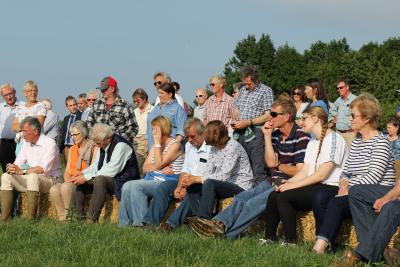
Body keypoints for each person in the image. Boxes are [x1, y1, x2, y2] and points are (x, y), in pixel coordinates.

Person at [190, 96, 310, 239]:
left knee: (252, 204)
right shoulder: (276, 135)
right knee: (241, 197)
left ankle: (225, 236)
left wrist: (278, 165)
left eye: (273, 114)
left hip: (290, 183)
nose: (269, 118)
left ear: (287, 116)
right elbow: (270, 162)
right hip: (274, 179)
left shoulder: (301, 137)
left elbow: (298, 171)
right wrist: (266, 136)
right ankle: (217, 224)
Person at [316, 93, 396, 257]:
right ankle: (331, 240)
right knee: (322, 195)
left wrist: (349, 188)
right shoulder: (357, 141)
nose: (349, 119)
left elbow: (374, 176)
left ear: (366, 118)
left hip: (377, 190)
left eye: (353, 115)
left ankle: (320, 247)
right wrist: (344, 184)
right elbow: (346, 170)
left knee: (337, 203)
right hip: (355, 188)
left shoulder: (380, 142)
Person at [263, 106, 348, 245]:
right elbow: (305, 172)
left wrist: (292, 186)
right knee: (274, 194)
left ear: (315, 119)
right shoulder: (313, 141)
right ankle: (269, 238)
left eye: (304, 118)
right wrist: (287, 184)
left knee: (285, 196)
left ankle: (291, 241)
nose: (301, 122)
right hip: (316, 185)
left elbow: (321, 175)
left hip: (331, 187)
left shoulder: (334, 139)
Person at [160, 120, 255, 230]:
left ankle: (203, 219)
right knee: (193, 186)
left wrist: (197, 178)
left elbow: (223, 175)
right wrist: (190, 181)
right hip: (225, 183)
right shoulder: (215, 147)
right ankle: (199, 221)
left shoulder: (233, 147)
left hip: (240, 185)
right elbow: (208, 171)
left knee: (209, 183)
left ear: (216, 135)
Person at [142, 118, 211, 227]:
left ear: (202, 133)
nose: (190, 140)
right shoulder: (188, 145)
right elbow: (185, 169)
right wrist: (180, 186)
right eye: (187, 137)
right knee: (165, 186)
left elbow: (210, 176)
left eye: (192, 136)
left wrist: (188, 185)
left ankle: (170, 224)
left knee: (193, 190)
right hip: (186, 180)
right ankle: (149, 223)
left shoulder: (210, 148)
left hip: (201, 182)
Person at [118, 116, 184, 227]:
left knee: (137, 186)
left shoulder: (175, 145)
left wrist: (158, 145)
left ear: (163, 129)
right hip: (152, 178)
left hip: (167, 181)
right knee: (127, 186)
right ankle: (124, 224)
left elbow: (159, 162)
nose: (153, 132)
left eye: (155, 129)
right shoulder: (154, 146)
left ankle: (141, 224)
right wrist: (160, 168)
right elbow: (145, 168)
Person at [70, 123, 140, 222]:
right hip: (112, 179)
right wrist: (82, 173)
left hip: (124, 181)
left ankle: (91, 219)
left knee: (100, 180)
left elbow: (111, 170)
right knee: (78, 183)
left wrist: (86, 177)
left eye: (98, 143)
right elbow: (96, 165)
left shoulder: (121, 146)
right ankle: (77, 218)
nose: (96, 145)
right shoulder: (102, 145)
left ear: (108, 139)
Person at [1, 116, 62, 221]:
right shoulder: (26, 143)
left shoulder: (50, 143)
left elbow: (44, 168)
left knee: (33, 177)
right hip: (32, 179)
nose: (22, 134)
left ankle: (31, 220)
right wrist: (12, 167)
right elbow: (18, 162)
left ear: (35, 131)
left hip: (51, 180)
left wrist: (22, 171)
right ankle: (4, 219)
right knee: (6, 176)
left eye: (24, 131)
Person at [232, 64, 274, 185]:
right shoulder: (243, 91)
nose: (246, 86)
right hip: (240, 133)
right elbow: (237, 111)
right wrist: (235, 120)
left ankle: (259, 199)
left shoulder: (266, 91)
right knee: (241, 169)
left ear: (256, 80)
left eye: (249, 83)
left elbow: (268, 115)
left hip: (255, 133)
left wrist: (248, 122)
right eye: (244, 83)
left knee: (257, 170)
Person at [49, 120, 98, 221]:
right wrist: (68, 180)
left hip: (85, 181)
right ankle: (62, 217)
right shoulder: (72, 149)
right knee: (53, 189)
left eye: (75, 134)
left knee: (65, 187)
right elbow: (67, 171)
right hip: (71, 180)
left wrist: (71, 181)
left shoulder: (94, 147)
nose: (73, 137)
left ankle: (70, 217)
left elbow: (93, 169)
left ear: (84, 133)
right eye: (71, 135)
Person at [86, 76, 139, 141]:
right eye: (101, 89)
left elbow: (134, 128)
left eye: (104, 89)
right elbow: (89, 123)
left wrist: (119, 140)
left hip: (118, 146)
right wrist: (95, 138)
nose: (102, 91)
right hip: (99, 145)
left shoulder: (125, 106)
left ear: (112, 89)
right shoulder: (96, 104)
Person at [146, 83, 186, 150]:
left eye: (162, 93)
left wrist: (173, 147)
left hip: (167, 150)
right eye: (159, 93)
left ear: (170, 94)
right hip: (152, 148)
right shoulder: (156, 107)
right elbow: (149, 127)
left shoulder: (178, 109)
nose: (159, 95)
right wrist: (146, 143)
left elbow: (182, 132)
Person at [12, 80, 47, 152]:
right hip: (20, 144)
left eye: (35, 90)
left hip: (34, 144)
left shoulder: (40, 107)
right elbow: (14, 126)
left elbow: (37, 126)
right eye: (30, 90)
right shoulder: (20, 107)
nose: (33, 93)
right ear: (25, 93)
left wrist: (21, 128)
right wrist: (27, 128)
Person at [0, 83, 24, 172]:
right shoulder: (0, 108)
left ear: (15, 92)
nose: (9, 97)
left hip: (20, 143)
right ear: (2, 96)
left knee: (19, 169)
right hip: (4, 144)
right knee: (6, 171)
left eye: (10, 93)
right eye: (6, 95)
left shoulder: (23, 106)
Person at [132, 88, 154, 177]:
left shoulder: (153, 110)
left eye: (137, 100)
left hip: (146, 139)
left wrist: (148, 142)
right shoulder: (134, 111)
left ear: (144, 98)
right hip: (134, 139)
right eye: (134, 101)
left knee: (139, 162)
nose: (136, 103)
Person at [329, 80, 357, 146]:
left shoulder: (355, 99)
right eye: (337, 88)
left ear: (347, 87)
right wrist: (334, 118)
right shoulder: (338, 100)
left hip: (350, 134)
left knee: (350, 155)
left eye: (341, 87)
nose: (338, 90)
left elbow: (361, 116)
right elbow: (332, 110)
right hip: (338, 133)